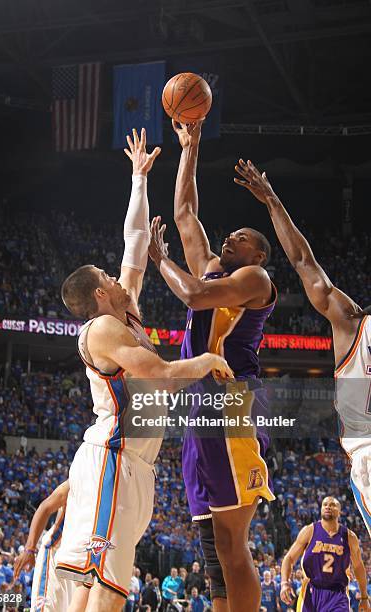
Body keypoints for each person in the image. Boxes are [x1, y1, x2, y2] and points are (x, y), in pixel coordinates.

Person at [55, 128, 233, 612]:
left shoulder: (125, 307)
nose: (118, 277)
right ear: (98, 295)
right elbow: (158, 370)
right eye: (108, 278)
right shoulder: (101, 330)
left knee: (99, 585)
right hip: (113, 458)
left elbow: (134, 242)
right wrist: (208, 360)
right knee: (106, 590)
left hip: (136, 465)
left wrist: (138, 177)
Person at [148, 120, 276, 612]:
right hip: (200, 406)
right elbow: (184, 212)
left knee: (233, 541)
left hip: (233, 404)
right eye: (232, 235)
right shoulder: (214, 266)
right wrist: (191, 146)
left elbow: (195, 295)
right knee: (214, 543)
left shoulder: (255, 278)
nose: (232, 239)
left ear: (258, 255)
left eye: (242, 238)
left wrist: (161, 261)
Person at [233, 159, 371, 536]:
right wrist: (273, 202)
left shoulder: (353, 322)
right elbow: (302, 262)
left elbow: (303, 263)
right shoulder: (353, 323)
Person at [280, 496, 369, 611]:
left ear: (340, 511)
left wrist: (364, 597)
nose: (328, 507)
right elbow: (289, 558)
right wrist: (284, 583)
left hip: (338, 594)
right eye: (325, 504)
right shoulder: (309, 531)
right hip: (311, 592)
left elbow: (358, 567)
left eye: (332, 505)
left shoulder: (350, 537)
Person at [13, 479, 73, 611]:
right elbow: (45, 508)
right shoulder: (83, 473)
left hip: (81, 562)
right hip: (57, 554)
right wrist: (29, 549)